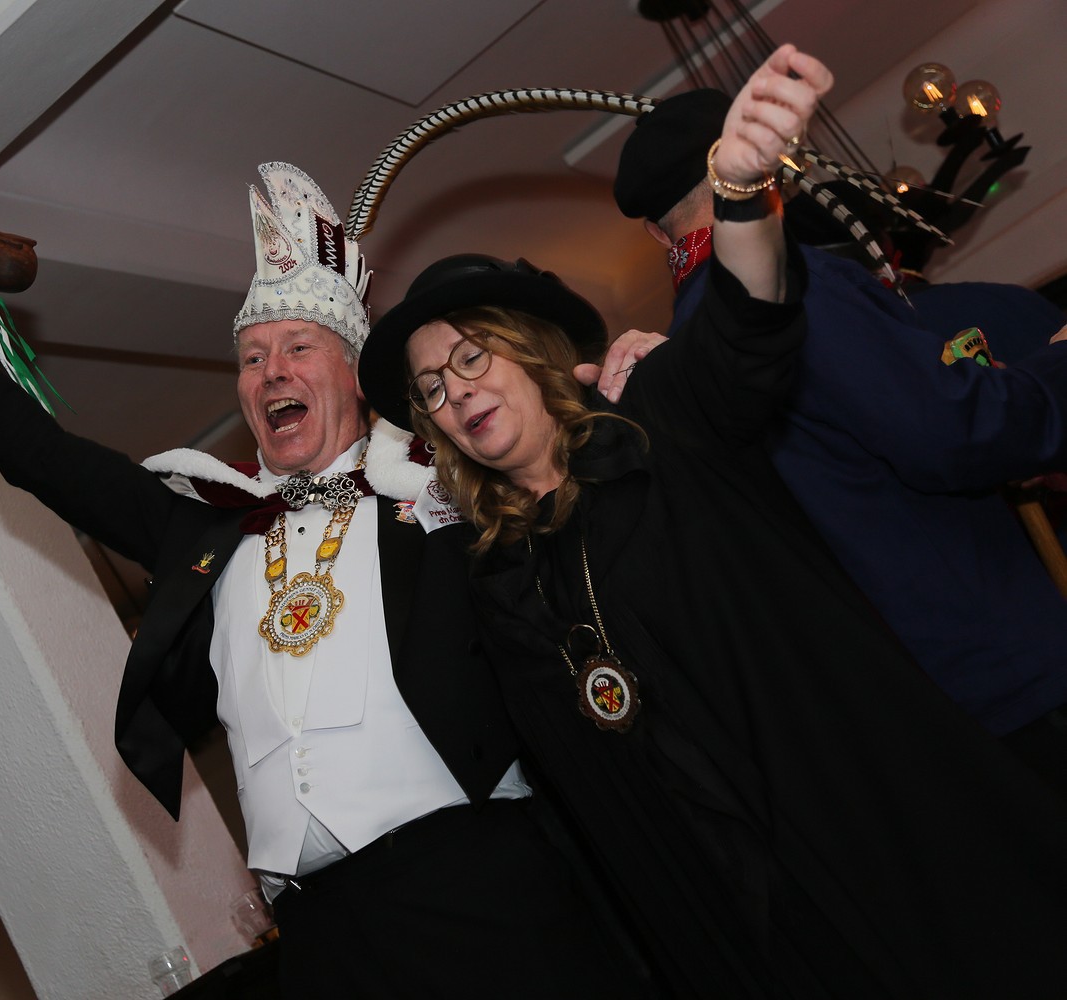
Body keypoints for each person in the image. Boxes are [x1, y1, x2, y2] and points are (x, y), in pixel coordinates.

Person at [358, 45, 1067, 999]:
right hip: (751, 910)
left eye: (473, 357)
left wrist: (738, 199)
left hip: (867, 821)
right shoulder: (501, 578)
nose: (457, 393)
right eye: (432, 389)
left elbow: (747, 323)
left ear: (533, 351)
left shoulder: (659, 425)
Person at [0, 163, 651, 998]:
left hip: (480, 889)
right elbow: (41, 456)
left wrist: (636, 388)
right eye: (253, 358)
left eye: (299, 348)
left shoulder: (442, 493)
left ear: (356, 376)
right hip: (319, 936)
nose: (271, 372)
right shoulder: (206, 524)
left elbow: (554, 467)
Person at [610, 86, 1067, 796]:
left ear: (655, 234)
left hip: (902, 708)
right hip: (998, 654)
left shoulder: (683, 364)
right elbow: (952, 433)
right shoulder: (792, 289)